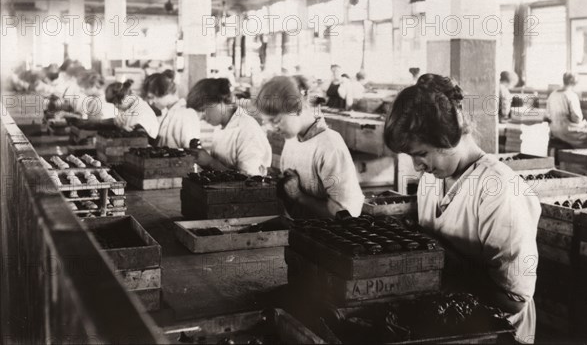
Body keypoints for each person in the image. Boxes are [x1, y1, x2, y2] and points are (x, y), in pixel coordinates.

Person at [384, 74, 540, 344]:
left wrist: (440, 261)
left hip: (496, 332)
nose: (417, 166)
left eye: (421, 154)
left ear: (449, 137)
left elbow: (513, 300)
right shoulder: (432, 180)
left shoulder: (499, 190)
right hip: (447, 321)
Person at [256, 75, 364, 218]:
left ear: (297, 109)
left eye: (276, 121)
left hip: (328, 236)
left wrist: (300, 196)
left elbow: (347, 214)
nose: (272, 128)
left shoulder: (330, 146)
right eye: (268, 122)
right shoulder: (292, 139)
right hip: (297, 229)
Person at [187, 78, 271, 176]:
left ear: (222, 102)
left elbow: (250, 181)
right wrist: (204, 161)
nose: (201, 117)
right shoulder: (221, 127)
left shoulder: (247, 130)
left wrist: (210, 162)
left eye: (204, 109)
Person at [143, 70, 201, 148]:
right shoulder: (167, 112)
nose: (150, 102)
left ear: (165, 93)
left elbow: (193, 151)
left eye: (152, 97)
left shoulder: (186, 114)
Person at [545, 72, 587, 148]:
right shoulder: (571, 95)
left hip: (554, 130)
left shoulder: (553, 94)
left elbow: (548, 115)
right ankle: (580, 156)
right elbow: (577, 118)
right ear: (575, 83)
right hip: (567, 131)